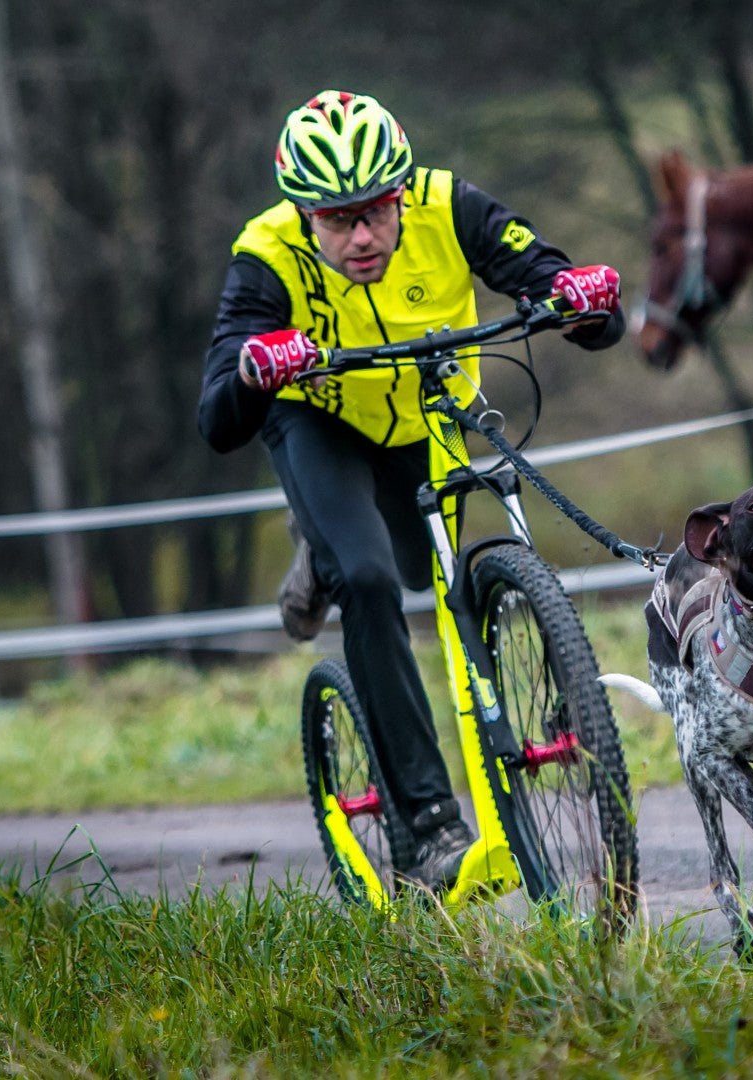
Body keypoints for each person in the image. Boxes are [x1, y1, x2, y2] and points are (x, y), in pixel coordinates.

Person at [198, 90, 623, 891]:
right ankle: (428, 829)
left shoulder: (448, 205)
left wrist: (580, 304)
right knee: (366, 580)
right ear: (303, 216)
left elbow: (554, 280)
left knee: (430, 576)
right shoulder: (265, 254)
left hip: (425, 416)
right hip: (320, 421)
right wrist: (259, 370)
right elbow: (217, 416)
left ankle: (327, 550)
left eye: (376, 212)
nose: (361, 236)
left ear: (400, 193)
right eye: (335, 220)